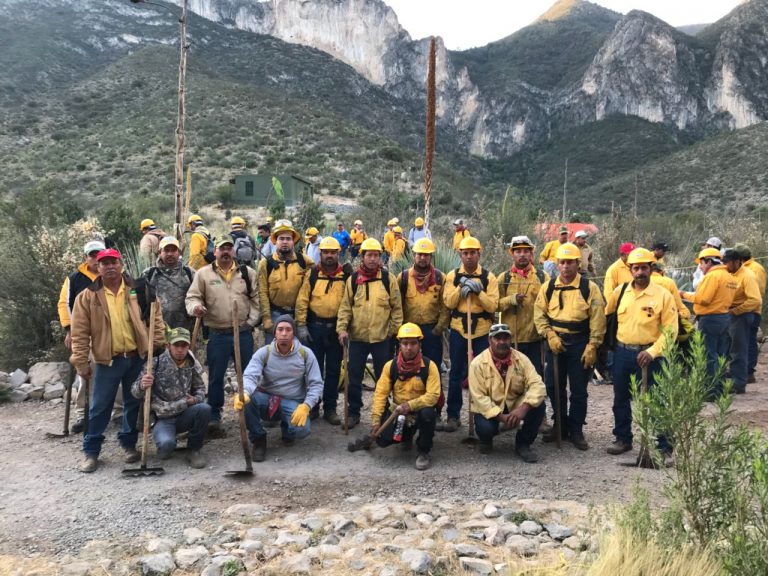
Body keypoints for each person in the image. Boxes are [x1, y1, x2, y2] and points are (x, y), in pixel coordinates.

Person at [70, 248, 166, 473]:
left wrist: (158, 346)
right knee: (99, 407)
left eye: (114, 262)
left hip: (136, 358)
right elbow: (79, 333)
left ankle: (128, 445)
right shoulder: (87, 296)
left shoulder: (139, 290)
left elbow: (156, 319)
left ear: (121, 265)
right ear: (98, 267)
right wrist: (81, 362)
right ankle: (91, 452)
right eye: (105, 263)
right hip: (107, 361)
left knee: (133, 403)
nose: (110, 266)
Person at [604, 248, 678, 456]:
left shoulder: (663, 296)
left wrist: (653, 352)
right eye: (635, 268)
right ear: (630, 269)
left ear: (651, 268)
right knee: (620, 398)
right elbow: (606, 315)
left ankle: (663, 446)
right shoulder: (620, 292)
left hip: (651, 356)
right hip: (622, 353)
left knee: (656, 400)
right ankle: (623, 439)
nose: (639, 272)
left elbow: (671, 330)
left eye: (644, 268)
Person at [534, 242, 606, 450]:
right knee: (553, 386)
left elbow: (597, 318)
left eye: (570, 263)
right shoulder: (548, 287)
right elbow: (539, 314)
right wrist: (548, 334)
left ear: (577, 263)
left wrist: (593, 345)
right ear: (557, 264)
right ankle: (560, 425)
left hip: (580, 343)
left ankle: (576, 430)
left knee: (578, 389)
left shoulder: (589, 288)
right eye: (562, 263)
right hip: (555, 342)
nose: (566, 267)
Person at [185, 235, 260, 427]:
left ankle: (249, 413)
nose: (225, 252)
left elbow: (256, 300)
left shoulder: (246, 272)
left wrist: (251, 323)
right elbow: (192, 297)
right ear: (215, 251)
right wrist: (195, 308)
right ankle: (215, 415)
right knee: (216, 376)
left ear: (233, 251)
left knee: (247, 374)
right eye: (222, 249)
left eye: (229, 248)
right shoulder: (203, 274)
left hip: (242, 333)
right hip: (217, 334)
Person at [336, 238, 403, 428]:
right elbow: (345, 308)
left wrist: (391, 332)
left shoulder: (387, 279)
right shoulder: (353, 280)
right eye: (369, 255)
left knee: (385, 378)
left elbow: (397, 309)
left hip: (382, 339)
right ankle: (354, 413)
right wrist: (342, 329)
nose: (373, 259)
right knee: (354, 376)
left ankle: (383, 412)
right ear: (362, 257)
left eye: (376, 255)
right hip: (357, 338)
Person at [237, 315, 324, 461]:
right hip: (267, 398)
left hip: (292, 401)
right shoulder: (264, 353)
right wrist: (244, 392)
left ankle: (287, 428)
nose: (284, 333)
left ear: (293, 333)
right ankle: (258, 439)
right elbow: (250, 376)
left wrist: (306, 406)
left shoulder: (305, 354)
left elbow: (316, 384)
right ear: (275, 333)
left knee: (302, 431)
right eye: (280, 329)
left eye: (288, 330)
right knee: (246, 401)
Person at [442, 236, 500, 432]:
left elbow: (493, 305)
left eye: (472, 253)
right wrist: (461, 288)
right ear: (460, 254)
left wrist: (478, 292)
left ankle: (484, 415)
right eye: (465, 253)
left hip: (482, 332)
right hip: (459, 330)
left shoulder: (488, 277)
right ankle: (453, 415)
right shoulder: (452, 276)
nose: (468, 257)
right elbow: (449, 302)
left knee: (484, 374)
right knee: (456, 373)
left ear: (478, 254)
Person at [131, 327, 210, 468]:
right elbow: (135, 393)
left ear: (188, 346)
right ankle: (167, 442)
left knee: (204, 409)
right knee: (166, 448)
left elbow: (200, 390)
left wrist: (195, 399)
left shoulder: (192, 364)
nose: (180, 349)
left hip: (184, 413)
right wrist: (142, 385)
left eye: (184, 345)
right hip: (162, 418)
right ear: (168, 346)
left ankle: (194, 450)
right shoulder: (154, 363)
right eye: (176, 345)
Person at [469, 323, 547, 462]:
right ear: (489, 340)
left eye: (505, 338)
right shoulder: (477, 363)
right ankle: (486, 440)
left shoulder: (522, 359)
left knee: (538, 406)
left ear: (510, 340)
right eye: (497, 338)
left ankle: (523, 444)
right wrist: (501, 417)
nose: (502, 342)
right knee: (485, 428)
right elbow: (479, 398)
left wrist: (524, 408)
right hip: (491, 409)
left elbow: (538, 386)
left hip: (515, 405)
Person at [295, 236, 350, 424]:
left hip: (336, 330)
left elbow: (350, 303)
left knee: (334, 370)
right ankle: (313, 406)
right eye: (326, 252)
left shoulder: (346, 275)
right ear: (320, 253)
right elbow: (302, 301)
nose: (329, 256)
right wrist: (301, 325)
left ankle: (331, 408)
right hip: (314, 329)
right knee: (313, 370)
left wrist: (346, 328)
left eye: (333, 252)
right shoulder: (312, 274)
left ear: (338, 253)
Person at [371, 323, 440, 470]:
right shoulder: (390, 366)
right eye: (405, 343)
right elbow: (380, 394)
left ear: (419, 344)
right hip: (399, 413)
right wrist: (376, 421)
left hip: (419, 411)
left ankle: (423, 450)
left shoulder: (430, 366)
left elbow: (433, 396)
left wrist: (410, 406)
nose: (409, 347)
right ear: (399, 345)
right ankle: (406, 437)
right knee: (382, 441)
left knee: (428, 414)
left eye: (413, 343)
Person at [397, 238, 449, 419]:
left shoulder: (440, 278)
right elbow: (398, 305)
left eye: (426, 255)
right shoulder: (403, 277)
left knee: (432, 370)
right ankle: (405, 407)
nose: (422, 258)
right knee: (406, 370)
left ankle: (435, 410)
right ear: (414, 255)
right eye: (419, 254)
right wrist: (401, 329)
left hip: (431, 331)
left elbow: (445, 306)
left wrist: (439, 328)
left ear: (431, 257)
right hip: (409, 334)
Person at [58, 239, 105, 434]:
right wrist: (69, 329)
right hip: (84, 334)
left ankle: (117, 413)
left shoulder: (114, 275)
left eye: (98, 254)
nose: (95, 258)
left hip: (109, 332)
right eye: (92, 255)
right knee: (84, 373)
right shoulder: (75, 278)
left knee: (114, 372)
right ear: (86, 257)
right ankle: (82, 414)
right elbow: (64, 304)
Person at [680, 247, 737, 396]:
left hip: (710, 319)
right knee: (720, 355)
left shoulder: (712, 277)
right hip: (724, 318)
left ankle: (711, 392)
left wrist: (683, 294)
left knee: (708, 355)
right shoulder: (729, 276)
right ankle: (719, 388)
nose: (700, 266)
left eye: (701, 263)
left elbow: (703, 299)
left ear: (709, 261)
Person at [497, 236, 547, 374]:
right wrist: (511, 300)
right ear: (512, 254)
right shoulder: (504, 278)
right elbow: (495, 305)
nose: (522, 254)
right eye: (518, 251)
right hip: (511, 339)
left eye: (526, 251)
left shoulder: (542, 277)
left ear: (531, 254)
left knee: (535, 375)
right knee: (513, 377)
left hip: (535, 339)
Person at [257, 219, 313, 343]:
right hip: (275, 315)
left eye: (288, 239)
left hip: (298, 317)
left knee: (298, 355)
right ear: (275, 241)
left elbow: (321, 271)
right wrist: (266, 319)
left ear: (293, 241)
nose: (285, 242)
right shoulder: (265, 264)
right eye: (281, 239)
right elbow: (262, 293)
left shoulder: (304, 261)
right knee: (273, 353)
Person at [722, 248, 762, 394]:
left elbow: (755, 300)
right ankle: (732, 377)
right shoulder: (730, 274)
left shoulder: (747, 276)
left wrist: (736, 310)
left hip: (743, 315)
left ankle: (739, 384)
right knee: (728, 348)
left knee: (739, 350)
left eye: (728, 262)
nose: (725, 265)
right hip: (731, 314)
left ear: (737, 261)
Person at [142, 236, 194, 331]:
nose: (170, 254)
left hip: (184, 332)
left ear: (179, 253)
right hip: (157, 330)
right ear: (159, 253)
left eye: (173, 250)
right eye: (166, 250)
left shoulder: (189, 273)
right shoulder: (149, 274)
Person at [736, 244, 766, 383]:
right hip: (745, 309)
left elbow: (757, 293)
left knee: (750, 341)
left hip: (752, 310)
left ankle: (749, 371)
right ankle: (743, 370)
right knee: (744, 341)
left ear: (740, 258)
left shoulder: (755, 269)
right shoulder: (744, 268)